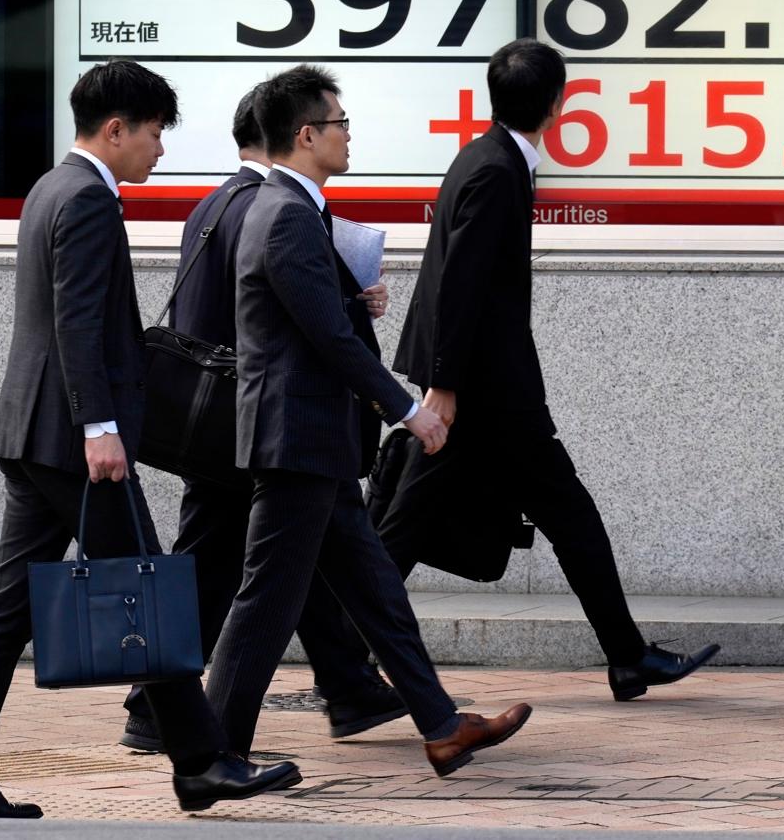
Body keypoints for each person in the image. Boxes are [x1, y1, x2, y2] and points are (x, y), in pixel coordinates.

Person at [0, 60, 299, 818]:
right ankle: (200, 762)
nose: (160, 150)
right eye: (155, 133)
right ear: (117, 128)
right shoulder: (90, 197)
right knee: (147, 594)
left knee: (10, 607)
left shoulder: (49, 187)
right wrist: (99, 426)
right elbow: (78, 322)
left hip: (32, 431)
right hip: (73, 441)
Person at [204, 64, 532, 777]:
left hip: (310, 439)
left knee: (377, 591)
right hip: (297, 439)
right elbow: (326, 338)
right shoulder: (284, 212)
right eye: (341, 123)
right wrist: (409, 410)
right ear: (306, 134)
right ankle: (212, 755)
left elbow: (316, 319)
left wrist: (358, 301)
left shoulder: (295, 208)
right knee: (265, 600)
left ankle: (442, 726)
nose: (350, 135)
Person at [385, 38, 721, 702]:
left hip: (481, 387)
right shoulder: (495, 171)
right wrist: (444, 388)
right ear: (557, 103)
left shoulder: (489, 159)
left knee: (410, 520)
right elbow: (461, 286)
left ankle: (627, 656)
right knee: (555, 510)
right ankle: (627, 657)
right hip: (486, 392)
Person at [119, 87, 407, 753]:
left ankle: (349, 686)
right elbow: (299, 314)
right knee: (230, 567)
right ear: (285, 135)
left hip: (219, 413)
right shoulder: (273, 207)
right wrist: (356, 303)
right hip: (252, 415)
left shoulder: (213, 204)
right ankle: (153, 708)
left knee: (280, 558)